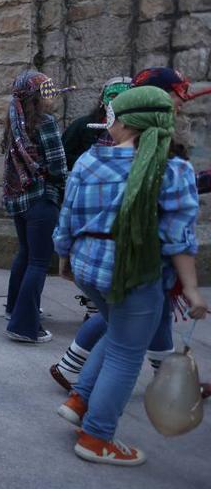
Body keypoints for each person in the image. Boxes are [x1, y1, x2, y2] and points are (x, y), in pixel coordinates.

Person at [53, 87, 205, 465]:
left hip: (89, 269)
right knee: (126, 352)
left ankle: (80, 399)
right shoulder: (174, 169)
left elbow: (68, 215)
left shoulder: (90, 160)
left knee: (117, 331)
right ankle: (97, 437)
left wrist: (63, 258)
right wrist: (191, 288)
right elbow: (178, 238)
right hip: (134, 275)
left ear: (122, 123)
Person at [2, 71, 68, 343]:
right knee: (39, 262)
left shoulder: (14, 122)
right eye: (47, 91)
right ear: (37, 96)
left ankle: (15, 308)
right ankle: (25, 325)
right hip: (41, 198)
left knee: (26, 254)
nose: (52, 96)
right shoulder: (46, 123)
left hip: (20, 199)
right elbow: (57, 167)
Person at [62, 77, 132, 169]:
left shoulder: (140, 129)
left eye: (124, 97)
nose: (118, 102)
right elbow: (63, 156)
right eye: (113, 96)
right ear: (102, 100)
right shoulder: (82, 126)